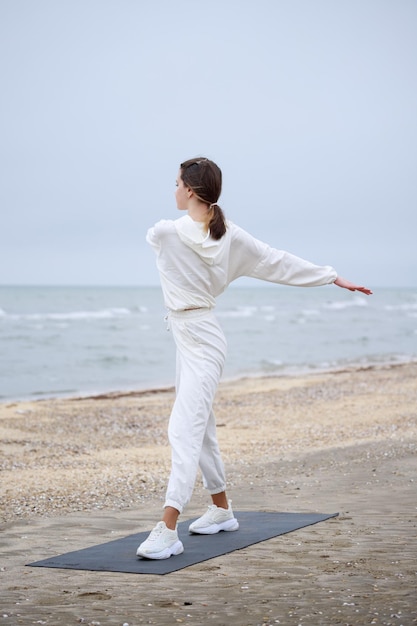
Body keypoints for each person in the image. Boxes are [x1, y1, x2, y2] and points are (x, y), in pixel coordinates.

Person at [136, 157, 372, 560]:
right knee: (202, 427)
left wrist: (330, 276)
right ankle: (222, 509)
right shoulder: (208, 234)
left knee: (184, 428)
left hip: (203, 340)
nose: (173, 190)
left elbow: (277, 262)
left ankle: (168, 528)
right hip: (188, 336)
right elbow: (274, 259)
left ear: (190, 191)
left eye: (176, 183)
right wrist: (331, 275)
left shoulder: (169, 233)